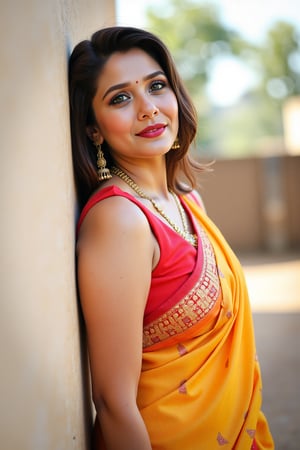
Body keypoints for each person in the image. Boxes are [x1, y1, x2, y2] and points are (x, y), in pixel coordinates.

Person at [68, 26, 274, 450]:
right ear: (94, 130)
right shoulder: (119, 220)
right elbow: (112, 402)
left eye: (156, 87)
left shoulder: (188, 202)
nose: (148, 109)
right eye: (120, 98)